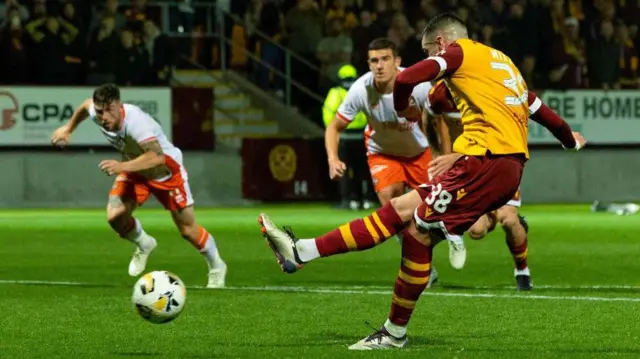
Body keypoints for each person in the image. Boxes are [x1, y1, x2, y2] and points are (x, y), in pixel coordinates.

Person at [258, 13, 585, 349]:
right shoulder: (501, 62)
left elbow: (406, 80)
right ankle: (304, 253)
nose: (432, 58)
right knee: (403, 213)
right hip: (501, 165)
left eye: (431, 51)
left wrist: (403, 109)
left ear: (441, 43)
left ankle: (395, 323)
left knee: (414, 230)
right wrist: (568, 138)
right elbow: (538, 106)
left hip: (485, 163)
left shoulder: (457, 53)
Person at [50, 83, 227, 288]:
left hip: (166, 173)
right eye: (100, 111)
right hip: (135, 170)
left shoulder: (136, 123)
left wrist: (122, 166)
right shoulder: (96, 112)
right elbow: (85, 105)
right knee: (115, 217)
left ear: (119, 106)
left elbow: (157, 156)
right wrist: (68, 129)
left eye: (109, 111)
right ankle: (144, 243)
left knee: (188, 231)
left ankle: (216, 265)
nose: (104, 116)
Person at [323, 37, 465, 269]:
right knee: (393, 208)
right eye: (374, 60)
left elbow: (438, 124)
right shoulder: (361, 89)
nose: (379, 65)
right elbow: (334, 127)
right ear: (368, 64)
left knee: (434, 211)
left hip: (420, 154)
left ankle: (442, 238)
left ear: (397, 61)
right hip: (383, 154)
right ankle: (419, 265)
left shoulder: (417, 85)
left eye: (385, 59)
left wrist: (445, 157)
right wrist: (332, 159)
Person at [425, 80, 532, 291]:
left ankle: (522, 270)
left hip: (500, 160)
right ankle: (495, 216)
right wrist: (437, 152)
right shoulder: (439, 93)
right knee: (476, 231)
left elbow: (495, 136)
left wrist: (454, 157)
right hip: (468, 167)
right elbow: (428, 118)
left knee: (509, 220)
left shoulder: (490, 89)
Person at [322, 64, 374, 210]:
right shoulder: (361, 90)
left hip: (344, 137)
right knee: (363, 170)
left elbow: (328, 113)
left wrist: (333, 131)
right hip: (361, 136)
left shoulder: (336, 92)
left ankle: (348, 199)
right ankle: (366, 199)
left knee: (343, 169)